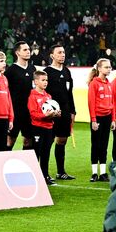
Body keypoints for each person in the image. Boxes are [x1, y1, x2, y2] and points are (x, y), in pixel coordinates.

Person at [44, 43, 76, 180]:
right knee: (48, 141)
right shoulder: (47, 72)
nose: (62, 55)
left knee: (62, 140)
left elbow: (70, 93)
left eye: (63, 52)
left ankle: (61, 172)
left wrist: (73, 111)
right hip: (51, 112)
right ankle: (44, 173)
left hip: (65, 111)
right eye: (59, 53)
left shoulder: (67, 71)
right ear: (52, 55)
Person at [87, 58, 116, 182]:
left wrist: (113, 119)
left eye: (109, 67)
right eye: (106, 67)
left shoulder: (110, 84)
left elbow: (113, 103)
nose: (108, 69)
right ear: (99, 69)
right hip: (98, 117)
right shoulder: (94, 83)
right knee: (96, 145)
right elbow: (91, 103)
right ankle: (94, 173)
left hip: (107, 117)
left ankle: (103, 173)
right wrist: (93, 120)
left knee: (104, 145)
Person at [26, 69, 59, 184]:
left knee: (46, 153)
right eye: (43, 80)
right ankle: (34, 176)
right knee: (36, 152)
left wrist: (55, 114)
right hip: (37, 128)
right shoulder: (32, 96)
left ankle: (45, 176)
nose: (46, 82)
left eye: (46, 80)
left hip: (49, 128)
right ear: (36, 82)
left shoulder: (48, 96)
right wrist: (45, 115)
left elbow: (51, 112)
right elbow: (33, 114)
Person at [4, 41, 36, 151]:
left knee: (28, 140)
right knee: (10, 140)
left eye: (29, 49)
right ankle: (4, 165)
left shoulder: (33, 69)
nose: (28, 52)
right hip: (15, 112)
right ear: (17, 53)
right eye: (25, 50)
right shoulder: (11, 71)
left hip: (29, 112)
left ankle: (25, 166)